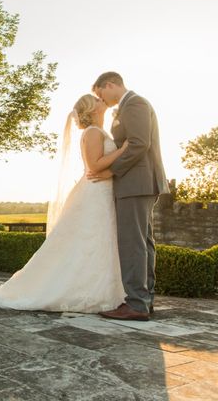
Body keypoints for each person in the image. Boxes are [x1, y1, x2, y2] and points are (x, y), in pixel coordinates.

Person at [0, 94, 127, 313]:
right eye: (97, 100)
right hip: (95, 192)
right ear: (91, 109)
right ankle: (80, 291)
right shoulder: (92, 133)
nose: (102, 101)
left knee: (100, 241)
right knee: (91, 239)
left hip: (103, 192)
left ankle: (103, 289)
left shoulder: (100, 131)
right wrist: (124, 150)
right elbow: (94, 165)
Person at [89, 72, 168, 321]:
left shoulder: (134, 104)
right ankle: (144, 301)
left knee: (132, 244)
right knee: (143, 243)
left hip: (135, 183)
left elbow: (138, 144)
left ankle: (136, 303)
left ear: (110, 85)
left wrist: (112, 171)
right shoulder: (126, 108)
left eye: (100, 94)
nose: (101, 99)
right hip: (139, 183)